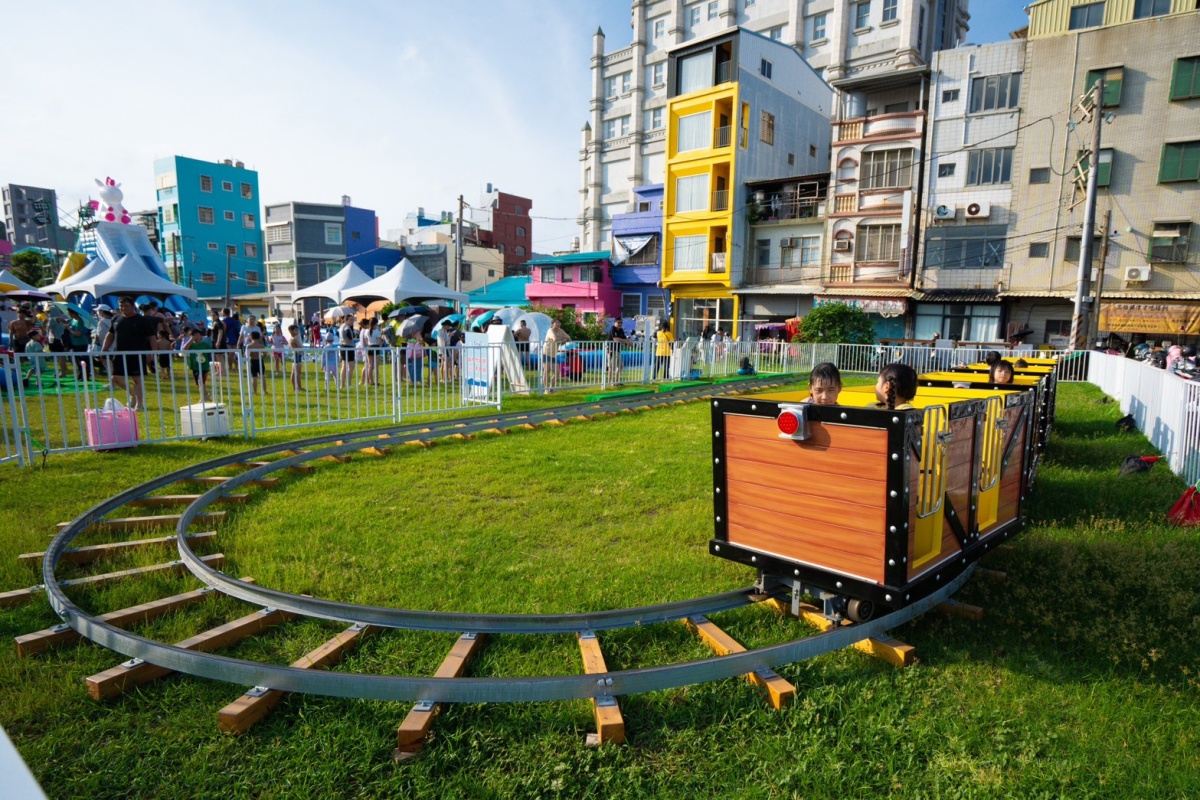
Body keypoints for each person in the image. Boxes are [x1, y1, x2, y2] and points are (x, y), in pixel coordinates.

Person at [102, 296, 160, 410]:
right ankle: (133, 394)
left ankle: (140, 404)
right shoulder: (116, 319)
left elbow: (152, 337)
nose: (123, 308)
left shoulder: (143, 320)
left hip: (137, 354)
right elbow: (110, 335)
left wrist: (153, 353)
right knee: (116, 378)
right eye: (121, 306)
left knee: (137, 380)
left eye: (126, 306)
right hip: (119, 354)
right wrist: (104, 349)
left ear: (133, 306)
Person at [178, 326, 213, 402]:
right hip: (195, 366)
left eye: (197, 335)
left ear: (201, 336)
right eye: (193, 335)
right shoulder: (191, 345)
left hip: (204, 366)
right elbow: (184, 349)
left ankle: (202, 398)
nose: (195, 337)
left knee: (200, 381)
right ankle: (206, 395)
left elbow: (211, 353)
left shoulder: (205, 345)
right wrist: (191, 340)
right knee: (199, 383)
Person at [541, 319, 571, 389]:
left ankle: (551, 387)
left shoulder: (561, 331)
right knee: (547, 371)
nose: (558, 324)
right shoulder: (550, 330)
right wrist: (563, 341)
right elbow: (554, 339)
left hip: (554, 355)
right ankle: (546, 388)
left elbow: (569, 338)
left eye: (559, 323)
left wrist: (565, 340)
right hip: (546, 353)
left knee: (557, 372)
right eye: (556, 323)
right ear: (552, 324)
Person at [606, 319, 630, 384]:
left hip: (617, 350)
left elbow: (625, 338)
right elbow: (615, 339)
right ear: (614, 323)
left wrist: (629, 341)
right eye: (618, 322)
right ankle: (611, 382)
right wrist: (625, 341)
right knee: (611, 366)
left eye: (621, 322)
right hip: (611, 350)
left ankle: (617, 381)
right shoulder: (613, 328)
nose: (620, 324)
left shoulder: (621, 330)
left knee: (620, 366)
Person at [245, 330, 268, 396]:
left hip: (253, 361)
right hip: (260, 360)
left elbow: (247, 355)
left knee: (254, 377)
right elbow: (265, 355)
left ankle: (255, 392)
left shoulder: (249, 346)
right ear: (259, 337)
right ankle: (264, 391)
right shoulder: (261, 346)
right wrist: (262, 356)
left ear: (251, 337)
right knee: (262, 376)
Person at [338, 315, 356, 389]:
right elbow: (348, 339)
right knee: (351, 366)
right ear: (346, 320)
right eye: (351, 320)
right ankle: (348, 384)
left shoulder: (342, 327)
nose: (352, 321)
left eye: (353, 320)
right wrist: (352, 338)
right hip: (348, 347)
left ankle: (342, 384)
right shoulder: (346, 328)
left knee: (344, 366)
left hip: (343, 346)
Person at [286, 324, 306, 392]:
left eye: (297, 330)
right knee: (296, 373)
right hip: (296, 355)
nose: (297, 331)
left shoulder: (293, 338)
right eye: (295, 330)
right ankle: (297, 387)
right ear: (291, 331)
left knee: (296, 373)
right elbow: (300, 347)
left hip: (296, 355)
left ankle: (297, 387)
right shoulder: (293, 339)